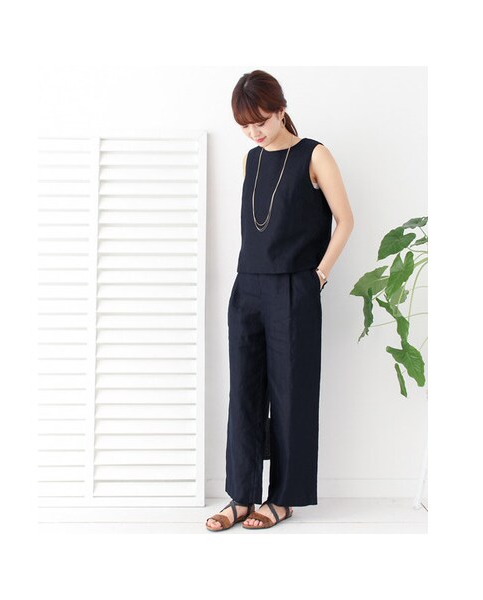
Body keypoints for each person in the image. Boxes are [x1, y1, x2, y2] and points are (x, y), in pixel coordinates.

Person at [206, 70, 354, 531]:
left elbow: (346, 220)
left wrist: (319, 276)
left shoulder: (315, 154)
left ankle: (284, 498)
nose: (254, 132)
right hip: (247, 286)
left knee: (291, 394)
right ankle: (241, 496)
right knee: (244, 393)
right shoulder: (251, 160)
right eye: (245, 125)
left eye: (261, 121)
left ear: (281, 109)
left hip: (294, 287)